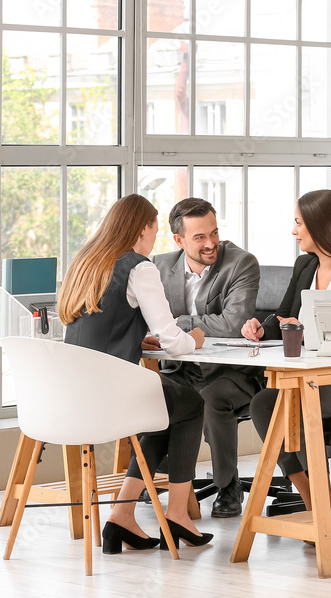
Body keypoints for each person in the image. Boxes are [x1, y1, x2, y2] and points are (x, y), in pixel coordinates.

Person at [58, 194, 213, 554]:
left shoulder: (85, 262)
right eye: (154, 232)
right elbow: (172, 339)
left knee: (163, 412)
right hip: (110, 392)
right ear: (142, 228)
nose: (152, 242)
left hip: (70, 394)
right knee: (188, 402)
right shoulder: (138, 267)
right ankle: (176, 513)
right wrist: (194, 338)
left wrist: (134, 337)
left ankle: (122, 516)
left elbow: (99, 323)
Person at [241, 189, 331, 511]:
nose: (294, 232)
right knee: (264, 403)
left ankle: (321, 499)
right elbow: (284, 315)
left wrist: (310, 329)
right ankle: (316, 497)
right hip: (306, 376)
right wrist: (263, 328)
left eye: (299, 224)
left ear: (321, 226)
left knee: (298, 402)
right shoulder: (305, 266)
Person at [148, 197, 263, 518]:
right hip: (179, 368)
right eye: (199, 237)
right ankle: (158, 478)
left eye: (214, 233)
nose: (211, 243)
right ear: (179, 240)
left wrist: (174, 326)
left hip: (230, 373)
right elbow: (145, 324)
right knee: (150, 393)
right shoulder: (159, 266)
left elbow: (232, 323)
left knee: (212, 400)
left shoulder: (241, 263)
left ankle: (228, 485)